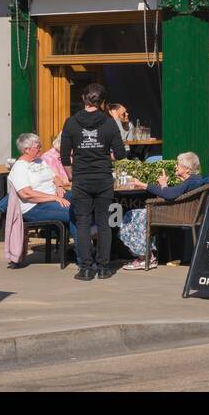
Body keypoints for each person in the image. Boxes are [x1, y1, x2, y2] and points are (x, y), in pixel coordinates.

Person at [60, 82, 127, 280]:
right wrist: (104, 154)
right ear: (103, 102)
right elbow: (121, 154)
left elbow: (64, 156)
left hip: (81, 178)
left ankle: (86, 268)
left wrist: (73, 176)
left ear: (83, 99)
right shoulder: (109, 123)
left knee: (83, 223)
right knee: (104, 223)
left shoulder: (71, 123)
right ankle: (104, 268)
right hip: (103, 178)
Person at [119, 152, 209, 270]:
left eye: (178, 165)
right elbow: (173, 194)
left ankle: (144, 257)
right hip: (180, 213)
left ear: (187, 170)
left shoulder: (192, 182)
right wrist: (164, 185)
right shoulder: (195, 180)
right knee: (137, 215)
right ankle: (146, 255)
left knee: (131, 216)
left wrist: (143, 185)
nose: (175, 167)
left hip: (174, 215)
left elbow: (170, 194)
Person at [5, 132, 77, 246]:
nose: (40, 149)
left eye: (40, 145)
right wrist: (54, 198)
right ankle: (83, 255)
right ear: (26, 150)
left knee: (85, 201)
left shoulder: (40, 161)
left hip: (54, 197)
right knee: (76, 213)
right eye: (37, 147)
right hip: (34, 207)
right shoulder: (20, 167)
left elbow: (56, 177)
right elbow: (27, 194)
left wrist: (58, 186)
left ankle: (98, 246)